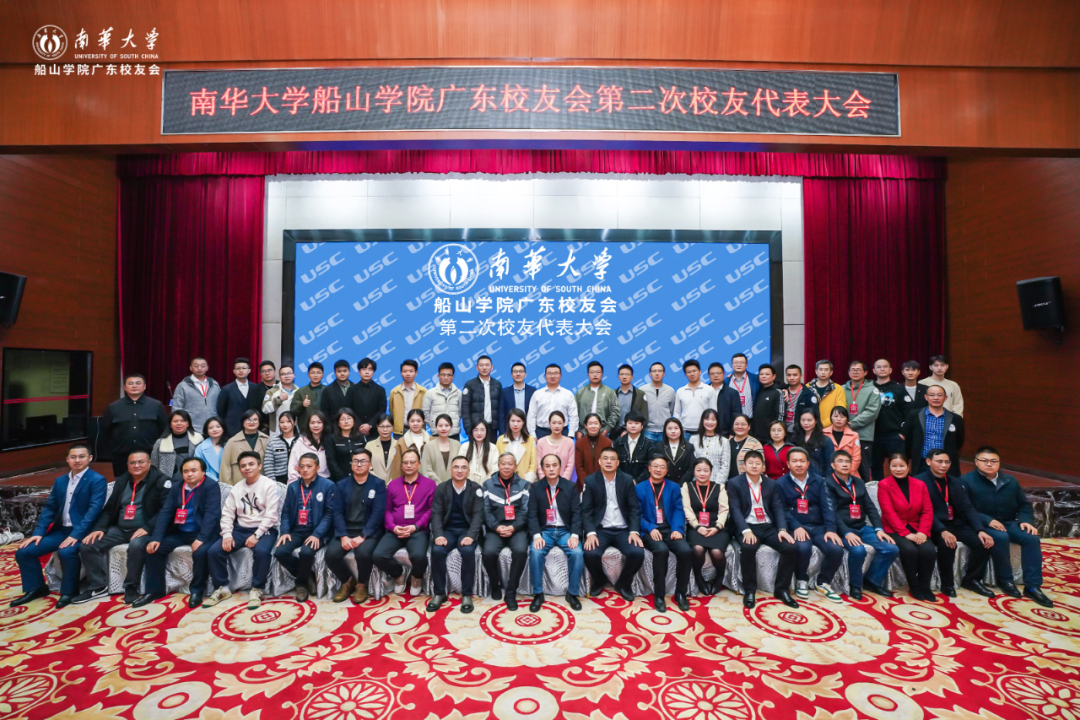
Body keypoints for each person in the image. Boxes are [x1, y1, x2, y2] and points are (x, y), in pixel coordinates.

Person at [11, 444, 107, 608]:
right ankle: (37, 588)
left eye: (82, 456)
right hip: (62, 530)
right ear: (67, 459)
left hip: (84, 531)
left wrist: (75, 535)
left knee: (66, 551)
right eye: (73, 457)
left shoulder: (97, 480)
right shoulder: (60, 481)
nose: (77, 460)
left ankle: (70, 591)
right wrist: (39, 533)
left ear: (90, 458)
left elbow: (93, 511)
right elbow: (50, 508)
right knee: (24, 552)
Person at [73, 450, 170, 605]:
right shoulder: (122, 481)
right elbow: (109, 508)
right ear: (127, 465)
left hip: (144, 530)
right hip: (119, 529)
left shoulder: (161, 481)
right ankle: (98, 586)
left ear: (150, 463)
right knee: (88, 544)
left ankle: (131, 586)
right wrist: (99, 528)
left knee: (136, 545)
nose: (136, 465)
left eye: (141, 462)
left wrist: (148, 528)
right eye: (132, 463)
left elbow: (166, 510)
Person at [961, 447, 1052, 607]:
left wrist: (1025, 520)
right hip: (984, 524)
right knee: (1000, 537)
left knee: (1031, 538)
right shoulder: (966, 481)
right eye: (984, 461)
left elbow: (1024, 505)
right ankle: (1006, 581)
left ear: (999, 462)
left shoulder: (1010, 480)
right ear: (976, 462)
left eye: (993, 461)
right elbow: (964, 508)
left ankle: (1033, 586)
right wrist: (987, 520)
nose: (989, 464)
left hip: (1009, 522)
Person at [133, 457, 220, 608]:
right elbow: (165, 513)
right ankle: (155, 590)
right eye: (186, 471)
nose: (189, 474)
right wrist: (156, 538)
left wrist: (201, 538)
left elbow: (211, 515)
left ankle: (197, 591)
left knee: (200, 552)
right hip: (180, 531)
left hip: (202, 532)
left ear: (203, 472)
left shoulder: (211, 486)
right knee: (154, 549)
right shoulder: (177, 487)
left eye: (194, 470)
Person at [204, 451, 282, 610]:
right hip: (240, 528)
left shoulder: (269, 485)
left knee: (261, 551)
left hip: (265, 529)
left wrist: (256, 535)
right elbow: (227, 513)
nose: (247, 468)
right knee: (214, 551)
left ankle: (257, 589)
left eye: (251, 464)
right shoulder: (237, 488)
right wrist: (227, 534)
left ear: (259, 466)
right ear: (240, 469)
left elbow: (271, 515)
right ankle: (222, 588)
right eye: (243, 466)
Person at [727, 450, 799, 608]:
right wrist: (745, 530)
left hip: (768, 526)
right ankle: (750, 591)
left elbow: (778, 507)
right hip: (748, 526)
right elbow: (735, 509)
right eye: (750, 463)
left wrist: (782, 529)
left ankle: (781, 590)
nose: (754, 466)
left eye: (757, 463)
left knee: (791, 548)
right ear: (744, 466)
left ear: (763, 466)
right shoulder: (734, 483)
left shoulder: (771, 484)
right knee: (748, 548)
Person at [825, 450, 899, 600]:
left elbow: (870, 507)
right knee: (858, 550)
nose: (844, 464)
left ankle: (872, 581)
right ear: (833, 465)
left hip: (862, 526)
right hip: (842, 529)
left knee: (891, 549)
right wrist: (846, 532)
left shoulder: (858, 482)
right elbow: (831, 512)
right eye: (840, 461)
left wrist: (878, 529)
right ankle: (855, 585)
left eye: (847, 461)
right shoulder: (827, 483)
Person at [776, 448, 845, 603]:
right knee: (802, 547)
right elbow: (781, 510)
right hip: (797, 527)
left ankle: (823, 583)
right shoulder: (780, 483)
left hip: (819, 527)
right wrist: (796, 526)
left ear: (808, 463)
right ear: (788, 464)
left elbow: (828, 507)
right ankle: (802, 580)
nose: (798, 464)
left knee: (836, 549)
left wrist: (831, 529)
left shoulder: (819, 481)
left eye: (802, 461)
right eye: (794, 461)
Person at [915, 449, 986, 599]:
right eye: (939, 461)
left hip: (955, 523)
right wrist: (941, 530)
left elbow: (967, 507)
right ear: (928, 462)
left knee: (982, 543)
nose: (943, 465)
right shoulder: (919, 482)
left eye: (947, 462)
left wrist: (980, 529)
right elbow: (923, 511)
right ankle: (947, 584)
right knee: (947, 544)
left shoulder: (955, 482)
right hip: (932, 526)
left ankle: (971, 580)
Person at [580, 447, 645, 600]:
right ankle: (599, 580)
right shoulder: (590, 481)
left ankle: (623, 583)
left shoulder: (627, 480)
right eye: (605, 458)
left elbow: (634, 508)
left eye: (612, 459)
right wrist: (590, 533)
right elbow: (586, 510)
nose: (608, 462)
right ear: (599, 461)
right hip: (601, 529)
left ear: (618, 462)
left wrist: (634, 531)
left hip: (623, 529)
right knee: (590, 553)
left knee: (637, 552)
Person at [373, 449, 437, 597]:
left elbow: (431, 510)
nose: (409, 465)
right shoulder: (393, 485)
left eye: (412, 462)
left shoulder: (429, 484)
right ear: (401, 465)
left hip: (418, 530)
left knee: (419, 556)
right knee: (378, 555)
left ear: (419, 464)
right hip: (395, 530)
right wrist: (393, 527)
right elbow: (387, 510)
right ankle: (399, 575)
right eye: (405, 462)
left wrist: (416, 526)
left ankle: (416, 577)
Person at [327, 448, 387, 604]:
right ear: (351, 464)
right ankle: (347, 581)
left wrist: (363, 536)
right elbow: (336, 512)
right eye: (356, 461)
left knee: (363, 553)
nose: (359, 464)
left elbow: (378, 514)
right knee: (331, 555)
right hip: (346, 529)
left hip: (369, 530)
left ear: (370, 464)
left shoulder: (378, 484)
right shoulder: (341, 485)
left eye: (363, 461)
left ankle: (362, 584)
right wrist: (343, 536)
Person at [273, 453, 335, 602]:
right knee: (280, 552)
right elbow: (286, 512)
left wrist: (317, 534)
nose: (305, 469)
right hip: (297, 530)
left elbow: (329, 514)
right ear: (298, 468)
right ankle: (306, 576)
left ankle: (301, 584)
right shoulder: (293, 487)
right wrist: (285, 532)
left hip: (317, 531)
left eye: (309, 466)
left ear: (317, 468)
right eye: (302, 466)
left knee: (306, 552)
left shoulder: (328, 485)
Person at [427, 455, 484, 613]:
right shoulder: (442, 488)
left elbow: (478, 515)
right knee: (437, 551)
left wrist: (471, 535)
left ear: (468, 471)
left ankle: (466, 595)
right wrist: (438, 535)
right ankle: (439, 593)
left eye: (463, 467)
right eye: (456, 467)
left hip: (467, 530)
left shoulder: (476, 488)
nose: (460, 470)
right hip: (448, 530)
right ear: (450, 470)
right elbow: (436, 514)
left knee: (468, 551)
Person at [636, 455, 693, 612]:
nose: (658, 469)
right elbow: (636, 514)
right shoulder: (639, 488)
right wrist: (650, 528)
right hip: (650, 530)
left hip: (669, 529)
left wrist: (677, 529)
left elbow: (679, 510)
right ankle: (659, 595)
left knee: (686, 551)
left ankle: (680, 594)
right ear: (649, 468)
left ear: (667, 471)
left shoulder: (673, 487)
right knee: (661, 551)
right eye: (655, 466)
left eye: (662, 467)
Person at [528, 453, 584, 611]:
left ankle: (572, 593)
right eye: (547, 466)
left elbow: (576, 513)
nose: (551, 469)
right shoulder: (536, 488)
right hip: (545, 531)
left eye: (554, 465)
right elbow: (532, 514)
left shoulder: (570, 487)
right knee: (535, 552)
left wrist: (575, 535)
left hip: (565, 531)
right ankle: (538, 593)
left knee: (577, 553)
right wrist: (536, 535)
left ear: (560, 467)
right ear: (542, 469)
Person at [878, 453, 938, 602]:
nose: (898, 469)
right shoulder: (884, 485)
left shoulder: (920, 484)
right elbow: (888, 512)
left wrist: (923, 531)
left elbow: (927, 510)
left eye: (901, 466)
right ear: (889, 467)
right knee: (909, 550)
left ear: (908, 466)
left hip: (917, 527)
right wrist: (906, 533)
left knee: (929, 551)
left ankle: (925, 586)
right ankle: (914, 585)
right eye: (894, 466)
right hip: (894, 528)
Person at [482, 453, 531, 610]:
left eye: (510, 464)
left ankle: (511, 591)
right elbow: (486, 510)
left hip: (517, 528)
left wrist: (514, 527)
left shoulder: (524, 485)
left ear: (515, 466)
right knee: (488, 553)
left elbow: (525, 511)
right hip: (495, 528)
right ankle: (495, 585)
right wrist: (496, 527)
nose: (506, 467)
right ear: (498, 465)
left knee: (521, 551)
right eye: (503, 463)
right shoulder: (488, 485)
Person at [102, 373, 170, 478]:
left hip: (150, 454)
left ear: (144, 386)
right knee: (123, 484)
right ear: (125, 387)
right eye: (130, 383)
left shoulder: (156, 405)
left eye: (138, 383)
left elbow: (164, 428)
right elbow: (107, 430)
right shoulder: (113, 407)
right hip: (122, 455)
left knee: (150, 482)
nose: (134, 386)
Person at [681, 458, 730, 595]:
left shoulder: (719, 487)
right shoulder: (687, 487)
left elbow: (724, 510)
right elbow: (687, 509)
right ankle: (698, 578)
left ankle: (719, 578)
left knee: (717, 552)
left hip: (717, 526)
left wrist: (717, 527)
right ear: (694, 472)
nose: (702, 473)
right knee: (698, 549)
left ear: (710, 472)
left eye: (705, 470)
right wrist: (697, 527)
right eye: (699, 470)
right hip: (695, 526)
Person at [902, 385, 965, 476]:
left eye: (939, 395)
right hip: (922, 462)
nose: (936, 398)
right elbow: (908, 438)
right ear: (926, 397)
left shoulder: (956, 419)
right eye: (932, 395)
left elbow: (959, 441)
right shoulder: (914, 415)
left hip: (945, 464)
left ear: (945, 398)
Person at [842, 361, 882, 482]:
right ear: (848, 373)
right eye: (853, 370)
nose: (855, 372)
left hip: (863, 436)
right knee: (843, 466)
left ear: (865, 372)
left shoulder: (872, 390)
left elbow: (872, 412)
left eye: (858, 370)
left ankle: (863, 492)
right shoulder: (841, 389)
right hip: (843, 434)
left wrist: (851, 424)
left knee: (863, 469)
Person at [871, 359, 907, 481]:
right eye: (879, 367)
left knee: (898, 465)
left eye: (885, 366)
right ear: (873, 370)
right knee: (875, 466)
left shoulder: (899, 388)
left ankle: (899, 489)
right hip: (873, 435)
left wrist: (903, 433)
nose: (882, 369)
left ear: (890, 370)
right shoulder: (869, 388)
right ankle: (879, 489)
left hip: (894, 434)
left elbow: (907, 412)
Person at [219, 409, 270, 486]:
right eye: (248, 419)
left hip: (262, 486)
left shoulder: (267, 440)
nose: (252, 422)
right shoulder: (232, 442)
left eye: (255, 420)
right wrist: (229, 488)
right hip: (238, 487)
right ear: (243, 422)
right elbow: (225, 467)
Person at [527, 364, 579, 439]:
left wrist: (571, 434)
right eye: (550, 373)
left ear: (560, 375)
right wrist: (533, 435)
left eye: (555, 373)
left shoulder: (568, 394)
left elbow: (573, 415)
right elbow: (531, 416)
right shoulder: (537, 394)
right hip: (541, 432)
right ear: (545, 376)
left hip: (562, 432)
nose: (552, 376)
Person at [171, 357, 221, 433]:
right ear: (191, 368)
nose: (199, 368)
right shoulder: (182, 386)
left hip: (212, 428)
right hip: (192, 428)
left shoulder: (214, 385)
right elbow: (176, 408)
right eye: (196, 366)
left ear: (207, 368)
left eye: (203, 366)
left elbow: (220, 405)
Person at [150, 410, 203, 478]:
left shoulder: (198, 439)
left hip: (193, 479)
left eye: (183, 421)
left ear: (188, 424)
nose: (179, 423)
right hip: (168, 481)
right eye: (175, 421)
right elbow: (154, 465)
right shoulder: (160, 443)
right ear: (170, 424)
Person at [347, 358, 387, 444]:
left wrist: (370, 425)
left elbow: (382, 410)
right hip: (355, 430)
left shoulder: (380, 390)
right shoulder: (352, 390)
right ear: (359, 371)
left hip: (375, 431)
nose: (367, 372)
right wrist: (359, 426)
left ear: (373, 372)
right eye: (364, 369)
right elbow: (349, 409)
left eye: (370, 369)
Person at [216, 358, 260, 437]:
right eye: (238, 368)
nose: (241, 371)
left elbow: (258, 408)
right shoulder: (227, 389)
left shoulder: (255, 387)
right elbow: (221, 410)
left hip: (252, 427)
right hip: (232, 428)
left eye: (244, 368)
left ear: (249, 370)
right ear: (234, 371)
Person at [574, 361, 620, 437]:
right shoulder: (580, 392)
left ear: (602, 374)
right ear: (588, 374)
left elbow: (615, 412)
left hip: (602, 431)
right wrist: (577, 431)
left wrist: (606, 429)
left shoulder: (609, 392)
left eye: (598, 372)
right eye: (592, 372)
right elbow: (574, 413)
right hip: (583, 432)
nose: (595, 375)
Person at [673, 359, 717, 438]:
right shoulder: (680, 391)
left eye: (694, 371)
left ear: (700, 371)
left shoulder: (709, 390)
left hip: (704, 431)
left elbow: (713, 411)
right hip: (685, 432)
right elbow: (676, 413)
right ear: (685, 374)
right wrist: (678, 428)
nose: (692, 374)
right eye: (689, 372)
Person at [462, 355, 503, 438]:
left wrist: (501, 429)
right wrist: (469, 429)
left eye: (487, 365)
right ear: (477, 368)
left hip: (492, 429)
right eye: (481, 365)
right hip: (476, 428)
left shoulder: (497, 385)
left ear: (492, 367)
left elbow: (501, 409)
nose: (484, 368)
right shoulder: (470, 385)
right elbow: (465, 408)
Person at [689, 409, 731, 484]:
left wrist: (717, 485)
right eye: (707, 419)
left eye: (713, 420)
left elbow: (725, 466)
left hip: (716, 482)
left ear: (717, 422)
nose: (710, 422)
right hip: (696, 483)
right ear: (702, 421)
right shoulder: (693, 439)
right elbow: (690, 464)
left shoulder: (724, 441)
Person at [424, 362, 463, 440]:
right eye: (443, 374)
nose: (446, 377)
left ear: (453, 376)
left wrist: (454, 423)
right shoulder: (430, 393)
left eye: (449, 375)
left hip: (454, 433)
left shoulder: (458, 393)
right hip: (436, 434)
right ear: (438, 376)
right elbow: (425, 413)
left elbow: (460, 412)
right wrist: (434, 425)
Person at [497, 408, 537, 482]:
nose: (515, 424)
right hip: (505, 481)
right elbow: (497, 462)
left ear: (523, 422)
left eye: (519, 421)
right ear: (508, 422)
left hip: (525, 481)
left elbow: (533, 464)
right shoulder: (501, 440)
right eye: (513, 421)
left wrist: (527, 483)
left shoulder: (530, 439)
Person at [613, 412, 655, 482]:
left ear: (642, 426)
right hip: (621, 482)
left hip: (642, 483)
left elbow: (650, 467)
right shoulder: (617, 443)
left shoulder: (649, 444)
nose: (633, 426)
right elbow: (614, 464)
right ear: (625, 425)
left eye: (636, 423)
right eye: (630, 423)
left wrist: (637, 481)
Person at [389, 359, 427, 436]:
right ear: (401, 373)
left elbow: (426, 412)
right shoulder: (394, 392)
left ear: (416, 373)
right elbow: (391, 411)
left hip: (418, 430)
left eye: (411, 371)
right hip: (399, 431)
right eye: (405, 371)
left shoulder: (423, 392)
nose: (408, 374)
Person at [536, 411, 576, 484]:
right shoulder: (541, 442)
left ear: (564, 424)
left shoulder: (569, 442)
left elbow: (570, 465)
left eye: (560, 423)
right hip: (544, 484)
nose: (556, 426)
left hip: (565, 484)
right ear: (549, 423)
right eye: (554, 423)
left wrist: (562, 483)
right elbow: (539, 465)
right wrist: (545, 481)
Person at [325, 408, 365, 480]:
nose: (346, 421)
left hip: (359, 477)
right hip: (339, 479)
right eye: (342, 419)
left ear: (354, 421)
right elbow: (331, 461)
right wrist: (342, 478)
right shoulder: (332, 439)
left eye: (349, 418)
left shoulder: (360, 437)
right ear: (338, 423)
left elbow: (365, 458)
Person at [421, 414, 462, 483]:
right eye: (440, 426)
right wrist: (440, 485)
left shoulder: (457, 445)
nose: (443, 428)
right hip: (434, 486)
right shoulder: (428, 446)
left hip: (454, 486)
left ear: (451, 426)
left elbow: (461, 467)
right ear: (436, 427)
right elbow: (426, 469)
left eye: (447, 425)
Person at [750, 364, 784, 443]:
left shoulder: (778, 392)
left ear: (774, 376)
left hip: (770, 438)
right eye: (761, 374)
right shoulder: (758, 390)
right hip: (755, 436)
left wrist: (775, 433)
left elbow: (780, 415)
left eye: (767, 374)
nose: (764, 376)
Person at [807, 360, 847, 428]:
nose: (823, 372)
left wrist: (822, 425)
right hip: (810, 427)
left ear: (831, 372)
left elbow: (840, 411)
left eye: (826, 370)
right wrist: (811, 424)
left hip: (831, 428)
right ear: (816, 371)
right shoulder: (807, 387)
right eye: (820, 369)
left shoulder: (838, 389)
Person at [793, 410, 833, 477]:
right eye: (803, 420)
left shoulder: (825, 440)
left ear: (816, 421)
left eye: (809, 420)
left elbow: (830, 464)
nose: (805, 423)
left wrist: (826, 480)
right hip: (798, 477)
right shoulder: (794, 439)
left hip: (819, 478)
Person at [825, 407, 863, 478]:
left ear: (847, 419)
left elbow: (856, 458)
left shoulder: (854, 435)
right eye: (835, 416)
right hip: (829, 475)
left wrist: (846, 473)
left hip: (850, 474)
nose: (839, 419)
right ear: (831, 418)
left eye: (842, 417)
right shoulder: (823, 433)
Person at [709, 363, 745, 437]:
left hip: (725, 433)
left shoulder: (732, 393)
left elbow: (736, 414)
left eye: (718, 373)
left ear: (724, 374)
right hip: (706, 432)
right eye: (712, 373)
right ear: (709, 375)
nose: (716, 376)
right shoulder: (703, 391)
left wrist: (732, 433)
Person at [262, 412, 299, 484]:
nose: (285, 425)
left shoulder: (302, 441)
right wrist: (273, 484)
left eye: (288, 422)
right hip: (279, 480)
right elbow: (268, 465)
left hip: (298, 479)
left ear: (295, 423)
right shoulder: (273, 442)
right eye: (282, 422)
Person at [644, 361, 676, 443]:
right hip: (647, 430)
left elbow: (672, 409)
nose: (657, 373)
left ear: (664, 374)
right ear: (650, 374)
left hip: (665, 430)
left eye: (660, 371)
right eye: (654, 371)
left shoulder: (670, 390)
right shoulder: (642, 390)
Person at [613, 364, 649, 438]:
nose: (624, 377)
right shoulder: (612, 394)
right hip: (616, 434)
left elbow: (644, 416)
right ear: (618, 377)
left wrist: (630, 430)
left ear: (632, 377)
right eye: (622, 374)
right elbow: (609, 415)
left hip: (635, 433)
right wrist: (619, 431)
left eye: (627, 374)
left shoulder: (640, 394)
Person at [261, 365, 297, 437]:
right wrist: (279, 399)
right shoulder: (271, 391)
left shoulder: (299, 391)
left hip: (296, 430)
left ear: (294, 375)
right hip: (277, 431)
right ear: (279, 377)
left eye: (289, 373)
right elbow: (265, 409)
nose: (286, 376)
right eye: (283, 374)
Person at [575, 413, 613, 483]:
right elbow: (579, 466)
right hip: (584, 483)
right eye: (590, 423)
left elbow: (608, 464)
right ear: (586, 426)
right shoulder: (580, 443)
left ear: (600, 425)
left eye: (596, 423)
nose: (593, 426)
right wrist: (586, 483)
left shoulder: (607, 443)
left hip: (602, 482)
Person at [781, 365, 817, 435]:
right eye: (789, 375)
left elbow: (815, 415)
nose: (791, 378)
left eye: (795, 375)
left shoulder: (809, 394)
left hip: (801, 433)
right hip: (784, 433)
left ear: (801, 376)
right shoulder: (782, 392)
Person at [289, 362, 325, 431]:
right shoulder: (300, 391)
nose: (315, 375)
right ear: (308, 375)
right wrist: (302, 405)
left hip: (324, 429)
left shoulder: (327, 390)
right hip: (305, 429)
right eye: (313, 373)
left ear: (322, 375)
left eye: (318, 373)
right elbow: (293, 411)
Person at [659, 418, 693, 485]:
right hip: (664, 484)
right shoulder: (659, 446)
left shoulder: (689, 447)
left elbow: (691, 468)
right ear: (665, 430)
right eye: (670, 428)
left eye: (676, 428)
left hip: (683, 484)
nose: (673, 431)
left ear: (681, 430)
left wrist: (680, 484)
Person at [366, 414, 399, 483]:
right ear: (377, 427)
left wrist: (392, 483)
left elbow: (400, 467)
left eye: (388, 426)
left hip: (394, 484)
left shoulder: (398, 445)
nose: (385, 429)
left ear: (393, 427)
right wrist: (379, 482)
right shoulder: (369, 445)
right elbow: (367, 466)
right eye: (381, 426)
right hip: (374, 484)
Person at [727, 415, 763, 479]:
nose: (740, 427)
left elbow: (761, 466)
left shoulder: (755, 443)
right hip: (727, 481)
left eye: (743, 424)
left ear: (749, 427)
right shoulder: (727, 442)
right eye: (736, 424)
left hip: (746, 481)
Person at [464, 419, 500, 485]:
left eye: (482, 430)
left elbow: (495, 469)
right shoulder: (465, 447)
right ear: (472, 431)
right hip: (467, 485)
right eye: (476, 430)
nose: (479, 433)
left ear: (486, 431)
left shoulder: (493, 448)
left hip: (488, 485)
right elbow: (461, 467)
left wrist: (487, 484)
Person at [194, 417, 227, 482]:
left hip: (227, 482)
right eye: (211, 428)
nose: (215, 430)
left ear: (223, 429)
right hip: (207, 482)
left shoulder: (230, 445)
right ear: (207, 431)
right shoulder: (200, 448)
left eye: (218, 427)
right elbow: (197, 468)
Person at [727, 353, 760, 417]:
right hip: (732, 420)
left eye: (742, 363)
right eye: (736, 363)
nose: (739, 365)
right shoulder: (726, 381)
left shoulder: (755, 379)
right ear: (732, 365)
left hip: (751, 420)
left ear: (746, 365)